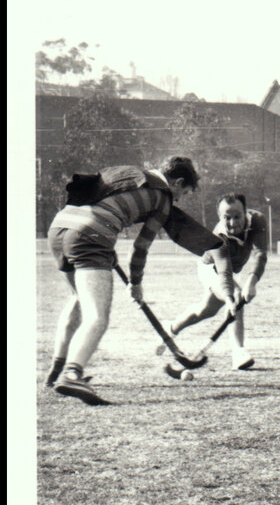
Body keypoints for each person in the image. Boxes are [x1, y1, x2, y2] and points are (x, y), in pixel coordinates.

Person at [45, 156, 237, 404]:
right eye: (184, 193)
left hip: (59, 228)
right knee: (97, 315)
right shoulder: (163, 198)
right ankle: (72, 374)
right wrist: (136, 284)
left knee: (78, 299)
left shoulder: (127, 171)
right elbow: (139, 248)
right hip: (90, 235)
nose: (178, 200)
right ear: (177, 183)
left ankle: (56, 370)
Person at [161, 193, 268, 372]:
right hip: (211, 268)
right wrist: (228, 298)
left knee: (205, 310)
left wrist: (252, 280)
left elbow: (260, 253)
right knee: (234, 296)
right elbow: (224, 272)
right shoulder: (220, 238)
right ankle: (238, 353)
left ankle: (171, 328)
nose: (233, 223)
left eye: (237, 217)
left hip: (230, 271)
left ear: (245, 212)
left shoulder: (257, 220)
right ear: (220, 217)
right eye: (227, 218)